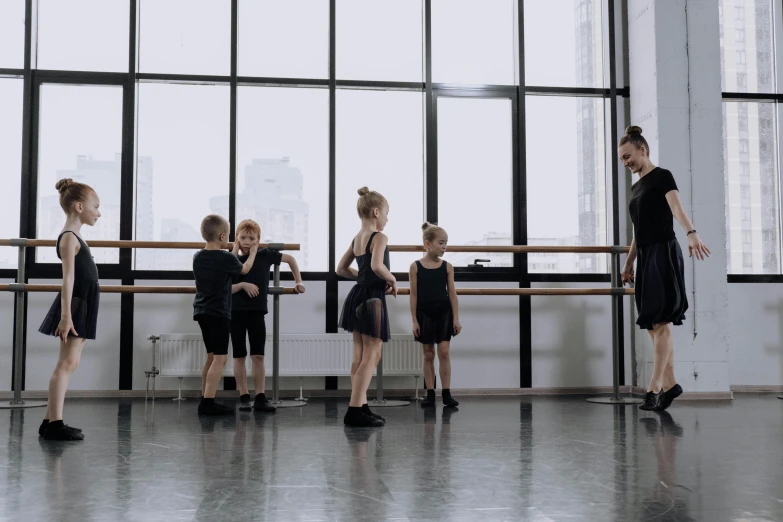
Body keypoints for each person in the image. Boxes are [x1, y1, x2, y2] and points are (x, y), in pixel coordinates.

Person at [619, 126, 710, 411]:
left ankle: (654, 387)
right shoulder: (636, 187)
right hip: (645, 256)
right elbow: (638, 230)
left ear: (642, 149)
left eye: (628, 156)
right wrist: (629, 261)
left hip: (663, 252)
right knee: (650, 322)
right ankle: (671, 385)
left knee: (660, 321)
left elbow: (677, 209)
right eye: (622, 159)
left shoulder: (662, 176)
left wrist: (691, 232)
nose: (626, 163)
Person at [38, 178, 102, 441]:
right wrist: (66, 317)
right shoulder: (68, 238)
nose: (98, 213)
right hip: (75, 304)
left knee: (70, 362)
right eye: (95, 207)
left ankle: (49, 421)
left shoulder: (76, 237)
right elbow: (68, 279)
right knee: (67, 363)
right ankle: (55, 424)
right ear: (78, 207)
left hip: (83, 301)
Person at [230, 219, 305, 412]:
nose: (247, 241)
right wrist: (234, 250)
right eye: (243, 237)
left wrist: (298, 281)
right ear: (236, 238)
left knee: (258, 355)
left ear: (258, 240)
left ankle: (261, 396)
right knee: (239, 355)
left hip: (256, 312)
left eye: (251, 238)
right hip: (235, 312)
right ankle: (244, 395)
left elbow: (290, 260)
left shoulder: (264, 255)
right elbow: (226, 282)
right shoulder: (231, 259)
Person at [336, 187, 397, 427]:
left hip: (357, 295)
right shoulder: (379, 237)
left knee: (360, 356)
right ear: (375, 212)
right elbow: (377, 265)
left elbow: (340, 269)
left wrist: (362, 278)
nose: (387, 219)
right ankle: (354, 410)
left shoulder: (356, 239)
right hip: (372, 298)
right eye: (386, 213)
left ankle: (361, 405)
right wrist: (391, 279)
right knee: (372, 355)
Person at [193, 214, 257, 415]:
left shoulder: (198, 256)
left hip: (201, 311)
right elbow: (244, 269)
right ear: (222, 236)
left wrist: (233, 250)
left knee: (211, 357)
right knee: (220, 358)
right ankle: (208, 403)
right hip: (218, 313)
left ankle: (205, 396)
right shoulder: (226, 257)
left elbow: (227, 265)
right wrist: (253, 251)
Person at [409, 223, 461, 408]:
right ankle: (430, 393)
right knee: (428, 354)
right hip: (424, 313)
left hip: (444, 312)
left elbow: (452, 294)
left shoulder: (447, 267)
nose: (444, 246)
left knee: (444, 352)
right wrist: (414, 320)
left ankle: (446, 393)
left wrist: (456, 318)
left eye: (446, 243)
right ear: (428, 244)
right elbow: (413, 295)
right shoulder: (415, 267)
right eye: (441, 242)